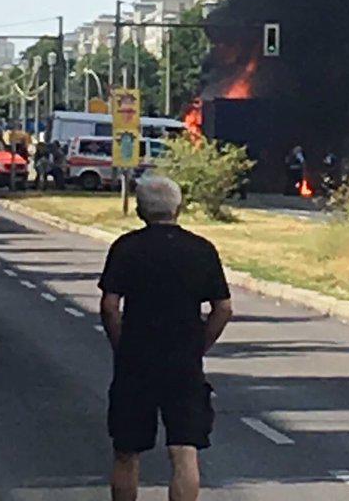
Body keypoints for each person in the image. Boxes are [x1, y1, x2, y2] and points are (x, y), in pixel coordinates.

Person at [98, 174, 233, 501]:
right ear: (179, 207)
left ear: (141, 211)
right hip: (183, 363)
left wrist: (121, 344)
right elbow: (223, 308)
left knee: (127, 451)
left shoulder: (126, 248)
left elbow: (109, 305)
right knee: (185, 451)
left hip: (136, 361)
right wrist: (200, 345)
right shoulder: (201, 250)